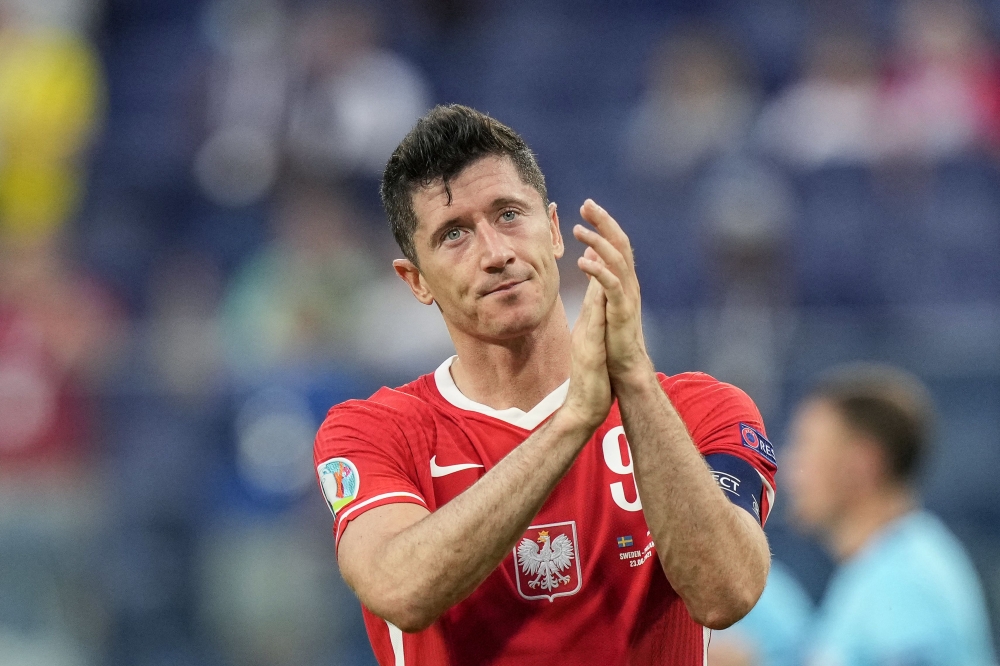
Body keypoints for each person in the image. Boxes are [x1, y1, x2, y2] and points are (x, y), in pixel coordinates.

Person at [312, 104, 777, 665]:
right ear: (415, 281)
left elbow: (727, 592)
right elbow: (400, 590)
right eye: (454, 234)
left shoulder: (702, 410)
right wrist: (572, 421)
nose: (496, 253)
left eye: (509, 214)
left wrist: (632, 382)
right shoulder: (374, 431)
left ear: (555, 231)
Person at [787, 364, 997, 666]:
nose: (790, 467)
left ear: (859, 464)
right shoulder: (877, 569)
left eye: (804, 445)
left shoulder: (906, 584)